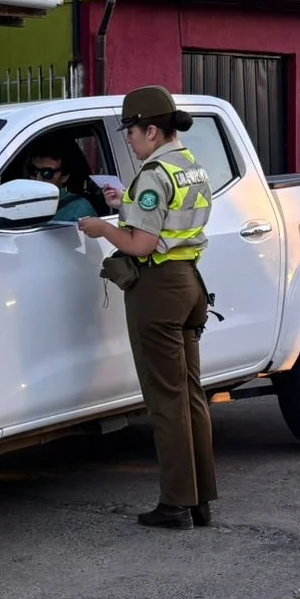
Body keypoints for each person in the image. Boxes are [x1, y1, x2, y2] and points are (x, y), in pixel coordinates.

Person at [78, 87, 217, 530]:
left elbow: (142, 243)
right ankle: (200, 500)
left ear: (152, 130)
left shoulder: (155, 173)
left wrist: (102, 226)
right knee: (191, 395)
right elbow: (163, 220)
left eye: (132, 133)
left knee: (165, 400)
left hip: (158, 289)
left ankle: (174, 504)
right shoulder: (189, 165)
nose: (130, 141)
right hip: (191, 282)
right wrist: (128, 206)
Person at [20, 136, 112, 223]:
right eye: (33, 170)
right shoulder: (19, 202)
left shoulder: (79, 208)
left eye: (47, 173)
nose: (38, 179)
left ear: (64, 176)